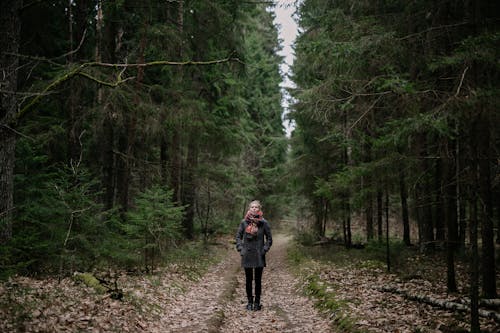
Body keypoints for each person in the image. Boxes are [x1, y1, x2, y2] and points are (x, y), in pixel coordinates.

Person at [235, 200, 272, 311]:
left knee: (258, 280)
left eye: (256, 207)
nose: (254, 209)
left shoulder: (264, 223)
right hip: (247, 254)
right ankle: (249, 302)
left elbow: (269, 239)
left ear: (259, 209)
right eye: (252, 207)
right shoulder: (244, 222)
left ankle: (257, 303)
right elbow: (238, 237)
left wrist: (264, 250)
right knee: (248, 280)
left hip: (259, 255)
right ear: (249, 209)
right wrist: (241, 249)